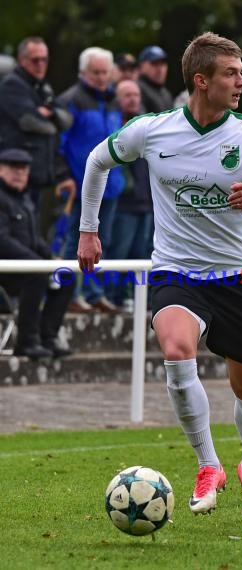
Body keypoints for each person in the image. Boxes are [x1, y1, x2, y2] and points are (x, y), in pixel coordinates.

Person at [77, 32, 242, 525]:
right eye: (231, 74)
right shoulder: (153, 130)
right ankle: (208, 465)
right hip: (177, 269)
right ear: (201, 80)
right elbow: (97, 160)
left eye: (241, 72)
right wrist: (89, 231)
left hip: (238, 275)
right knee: (176, 351)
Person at [56, 47, 124, 313]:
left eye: (104, 72)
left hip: (111, 184)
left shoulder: (114, 100)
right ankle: (70, 294)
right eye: (95, 72)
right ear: (83, 73)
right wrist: (64, 177)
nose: (100, 77)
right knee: (75, 241)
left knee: (102, 240)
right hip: (79, 184)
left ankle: (95, 294)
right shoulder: (70, 100)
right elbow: (58, 145)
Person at [0, 148, 73, 359]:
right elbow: (2, 241)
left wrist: (50, 259)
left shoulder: (24, 199)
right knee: (37, 276)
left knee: (66, 277)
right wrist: (38, 263)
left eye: (23, 169)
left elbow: (34, 238)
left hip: (27, 265)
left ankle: (46, 339)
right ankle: (26, 342)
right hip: (7, 268)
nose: (19, 173)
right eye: (13, 169)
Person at [0, 37, 74, 236]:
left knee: (34, 229)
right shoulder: (12, 85)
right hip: (17, 175)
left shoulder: (43, 86)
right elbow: (30, 122)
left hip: (38, 174)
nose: (41, 65)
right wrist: (52, 119)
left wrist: (48, 115)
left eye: (44, 60)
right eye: (35, 60)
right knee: (19, 230)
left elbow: (67, 120)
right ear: (21, 60)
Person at [108, 79, 153, 308]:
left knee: (143, 255)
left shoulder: (148, 125)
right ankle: (116, 297)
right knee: (119, 253)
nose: (133, 99)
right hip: (124, 202)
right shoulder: (113, 125)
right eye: (127, 95)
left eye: (136, 94)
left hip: (147, 202)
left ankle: (139, 298)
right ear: (117, 98)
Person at [137, 45, 174, 113]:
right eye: (154, 63)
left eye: (163, 64)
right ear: (141, 67)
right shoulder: (137, 90)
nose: (160, 69)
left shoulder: (166, 93)